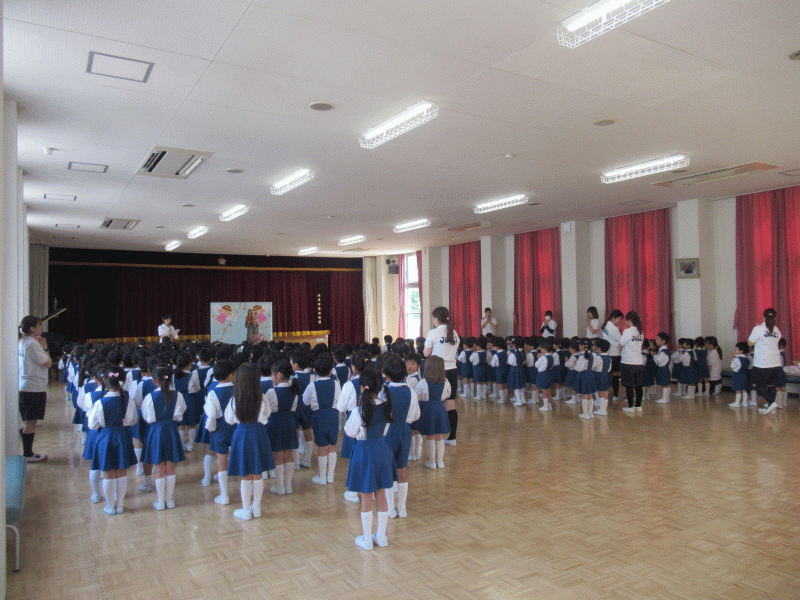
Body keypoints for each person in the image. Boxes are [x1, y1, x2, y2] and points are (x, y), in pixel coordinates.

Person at [344, 368, 396, 550]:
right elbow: (386, 429)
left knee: (366, 495)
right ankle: (381, 536)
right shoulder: (386, 405)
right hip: (382, 450)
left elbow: (350, 432)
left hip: (365, 453)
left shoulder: (359, 411)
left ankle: (366, 538)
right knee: (381, 493)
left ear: (362, 388)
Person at [225, 362, 273, 520]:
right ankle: (256, 509)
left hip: (241, 435)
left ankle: (246, 510)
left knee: (244, 473)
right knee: (257, 472)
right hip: (259, 434)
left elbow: (229, 419)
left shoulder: (235, 398)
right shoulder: (262, 396)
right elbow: (267, 413)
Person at [87, 367, 139, 515]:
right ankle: (120, 505)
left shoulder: (100, 402)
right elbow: (133, 420)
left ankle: (110, 506)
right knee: (121, 471)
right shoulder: (128, 400)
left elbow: (92, 425)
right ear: (124, 381)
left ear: (104, 380)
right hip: (123, 437)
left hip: (105, 438)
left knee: (108, 472)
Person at [142, 365, 186, 511]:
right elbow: (179, 415)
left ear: (154, 380)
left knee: (159, 467)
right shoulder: (178, 395)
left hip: (156, 432)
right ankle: (170, 500)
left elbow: (147, 417)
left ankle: (161, 501)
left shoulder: (150, 397)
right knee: (171, 467)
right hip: (172, 431)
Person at [382, 355, 420, 519]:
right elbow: (416, 415)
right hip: (405, 431)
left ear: (386, 376)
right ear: (405, 374)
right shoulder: (411, 391)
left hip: (387, 432)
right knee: (402, 469)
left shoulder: (383, 392)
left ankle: (391, 509)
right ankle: (402, 508)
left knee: (388, 471)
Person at [423, 307, 460, 446]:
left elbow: (426, 353)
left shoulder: (433, 333)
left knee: (435, 403)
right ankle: (452, 438)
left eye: (433, 318)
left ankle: (435, 436)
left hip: (437, 371)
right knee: (450, 404)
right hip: (452, 370)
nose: (433, 320)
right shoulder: (454, 333)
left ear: (436, 319)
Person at [303, 353, 341, 485]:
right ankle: (330, 476)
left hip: (319, 417)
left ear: (314, 370)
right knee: (332, 445)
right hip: (333, 416)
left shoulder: (312, 386)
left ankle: (322, 477)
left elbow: (305, 401)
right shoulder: (336, 384)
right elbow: (339, 400)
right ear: (331, 370)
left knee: (322, 446)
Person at [18, 315, 52, 462]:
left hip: (26, 386)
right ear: (32, 328)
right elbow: (48, 363)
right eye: (39, 325)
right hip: (33, 388)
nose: (41, 328)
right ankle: (28, 454)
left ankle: (27, 452)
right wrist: (45, 348)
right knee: (30, 422)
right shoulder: (32, 344)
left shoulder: (23, 341)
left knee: (28, 421)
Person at [203, 359, 237, 504]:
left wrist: (211, 429)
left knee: (222, 463)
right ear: (231, 375)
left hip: (220, 431)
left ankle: (224, 495)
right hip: (237, 429)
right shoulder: (238, 390)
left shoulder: (213, 393)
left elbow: (211, 416)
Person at [265, 359, 300, 495]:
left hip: (275, 424)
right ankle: (288, 486)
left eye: (272, 375)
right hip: (290, 423)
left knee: (278, 454)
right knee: (289, 453)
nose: (271, 378)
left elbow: (266, 410)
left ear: (278, 375)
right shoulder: (294, 390)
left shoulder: (271, 392)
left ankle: (280, 486)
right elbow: (293, 408)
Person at [413, 356, 451, 469]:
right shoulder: (446, 381)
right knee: (440, 435)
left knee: (430, 435)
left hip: (428, 410)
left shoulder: (423, 382)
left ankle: (432, 462)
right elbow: (448, 394)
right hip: (440, 409)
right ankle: (440, 461)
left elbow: (416, 395)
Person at [748, 308, 783, 414]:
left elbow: (750, 343)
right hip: (775, 362)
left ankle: (771, 403)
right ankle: (770, 407)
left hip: (763, 363)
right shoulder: (776, 329)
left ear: (763, 317)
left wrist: (755, 329)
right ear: (775, 317)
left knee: (758, 385)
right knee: (772, 385)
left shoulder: (758, 329)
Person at [619, 311, 645, 413]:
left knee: (629, 385)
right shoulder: (640, 332)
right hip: (639, 362)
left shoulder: (628, 331)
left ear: (629, 320)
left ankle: (630, 407)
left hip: (628, 362)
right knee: (638, 385)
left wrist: (624, 332)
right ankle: (638, 406)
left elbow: (621, 343)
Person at [601, 310, 624, 400]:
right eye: (619, 319)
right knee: (615, 375)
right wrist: (620, 329)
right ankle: (615, 395)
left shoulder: (606, 325)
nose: (620, 321)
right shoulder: (614, 328)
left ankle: (605, 394)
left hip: (607, 353)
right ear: (613, 318)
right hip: (615, 353)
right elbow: (621, 340)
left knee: (607, 374)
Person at [728, 342, 752, 408]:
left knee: (738, 390)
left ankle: (737, 403)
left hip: (738, 376)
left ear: (741, 351)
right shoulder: (746, 358)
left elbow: (733, 366)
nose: (735, 350)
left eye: (736, 349)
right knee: (744, 389)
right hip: (745, 375)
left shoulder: (737, 359)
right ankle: (744, 402)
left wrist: (732, 359)